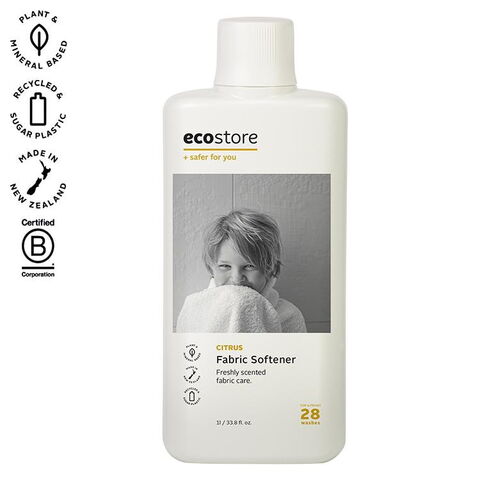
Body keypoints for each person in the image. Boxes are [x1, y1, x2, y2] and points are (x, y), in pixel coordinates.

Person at [201, 209, 307, 333]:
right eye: (225, 266)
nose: (236, 279)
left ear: (270, 269)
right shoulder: (197, 310)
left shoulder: (288, 316)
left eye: (249, 266)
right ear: (211, 268)